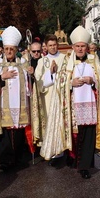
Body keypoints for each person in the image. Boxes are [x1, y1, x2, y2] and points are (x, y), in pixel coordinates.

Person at [41, 26, 100, 179]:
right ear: (73, 47)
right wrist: (69, 83)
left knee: (88, 136)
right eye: (77, 46)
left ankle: (85, 166)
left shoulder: (94, 60)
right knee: (74, 135)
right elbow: (59, 81)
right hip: (72, 106)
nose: (80, 49)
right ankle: (73, 160)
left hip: (90, 105)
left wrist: (93, 81)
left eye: (83, 46)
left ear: (87, 47)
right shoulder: (67, 60)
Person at [0, 26, 42, 172]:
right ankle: (5, 161)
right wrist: (1, 77)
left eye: (11, 49)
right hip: (2, 106)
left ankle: (18, 159)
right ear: (3, 49)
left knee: (19, 134)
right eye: (6, 49)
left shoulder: (23, 63)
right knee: (5, 136)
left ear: (15, 49)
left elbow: (32, 86)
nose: (8, 52)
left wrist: (31, 75)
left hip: (20, 106)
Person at [35, 34, 66, 164]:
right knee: (49, 123)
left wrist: (59, 74)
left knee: (61, 123)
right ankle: (50, 151)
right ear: (46, 47)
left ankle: (62, 150)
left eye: (54, 45)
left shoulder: (65, 58)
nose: (53, 48)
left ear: (57, 45)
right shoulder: (42, 61)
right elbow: (38, 81)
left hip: (61, 96)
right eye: (50, 46)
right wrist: (51, 74)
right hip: (47, 97)